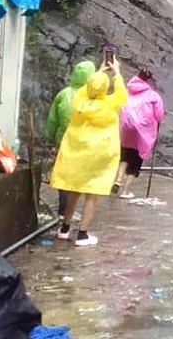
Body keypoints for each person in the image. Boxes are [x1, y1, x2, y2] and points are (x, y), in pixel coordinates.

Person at [49, 55, 128, 246]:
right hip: (98, 155)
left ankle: (65, 228)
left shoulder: (79, 101)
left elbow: (85, 90)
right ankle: (83, 234)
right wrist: (116, 72)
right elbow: (121, 93)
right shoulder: (109, 104)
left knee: (74, 190)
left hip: (77, 153)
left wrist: (99, 72)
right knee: (92, 194)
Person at [44, 60, 96, 217]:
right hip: (83, 143)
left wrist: (50, 137)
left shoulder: (63, 94)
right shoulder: (91, 98)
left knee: (64, 175)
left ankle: (62, 208)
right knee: (77, 177)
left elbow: (52, 120)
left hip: (63, 140)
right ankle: (68, 212)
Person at [114, 67, 165, 199]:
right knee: (136, 160)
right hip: (142, 131)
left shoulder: (126, 91)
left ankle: (118, 180)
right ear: (148, 80)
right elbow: (159, 115)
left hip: (125, 128)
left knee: (125, 155)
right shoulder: (153, 96)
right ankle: (125, 191)